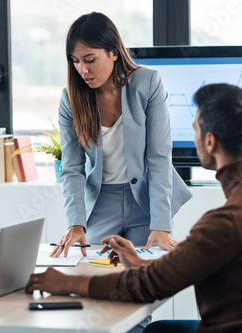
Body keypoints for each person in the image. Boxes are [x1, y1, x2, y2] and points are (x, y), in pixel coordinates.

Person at [27, 84, 242, 333]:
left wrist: (68, 282)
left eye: (194, 130)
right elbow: (198, 261)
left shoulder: (229, 220)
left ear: (209, 141)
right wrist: (140, 261)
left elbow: (150, 287)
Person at [51, 12, 192, 259]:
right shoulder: (70, 99)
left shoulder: (148, 83)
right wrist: (75, 223)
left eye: (90, 59)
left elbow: (159, 156)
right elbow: (72, 167)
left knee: (145, 277)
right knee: (95, 271)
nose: (82, 70)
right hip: (101, 203)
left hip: (146, 201)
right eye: (75, 61)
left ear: (113, 52)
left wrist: (161, 224)